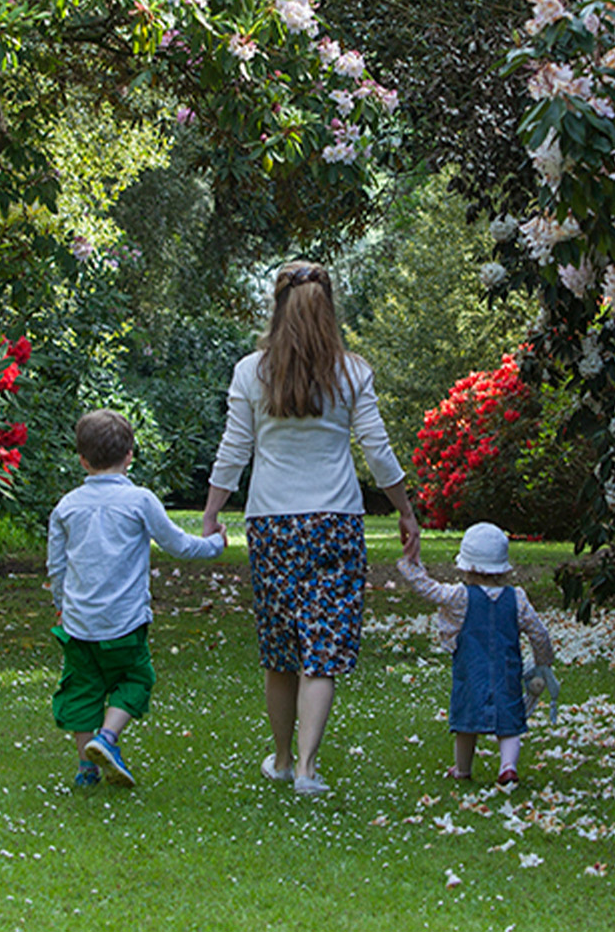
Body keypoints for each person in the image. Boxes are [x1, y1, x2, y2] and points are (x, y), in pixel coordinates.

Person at [202, 260, 421, 796]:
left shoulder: (250, 371)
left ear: (278, 308)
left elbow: (234, 450)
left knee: (281, 649)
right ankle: (306, 769)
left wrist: (211, 513)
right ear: (330, 310)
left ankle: (279, 759)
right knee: (320, 647)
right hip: (335, 521)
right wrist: (405, 509)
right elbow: (377, 450)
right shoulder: (353, 372)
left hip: (271, 523)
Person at [48, 409, 226, 788]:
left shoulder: (66, 506)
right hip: (125, 621)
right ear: (130, 454)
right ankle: (107, 738)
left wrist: (61, 606)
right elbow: (177, 544)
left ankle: (86, 770)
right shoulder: (140, 501)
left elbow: (57, 566)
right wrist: (214, 544)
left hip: (78, 624)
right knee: (136, 677)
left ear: (81, 459)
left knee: (82, 689)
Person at [398, 522, 556, 787]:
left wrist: (410, 565)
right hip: (507, 672)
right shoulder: (516, 598)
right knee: (510, 724)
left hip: (471, 673)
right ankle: (507, 767)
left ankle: (462, 769)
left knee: (465, 722)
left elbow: (429, 589)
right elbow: (539, 633)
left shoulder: (461, 597)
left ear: (467, 566)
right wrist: (543, 663)